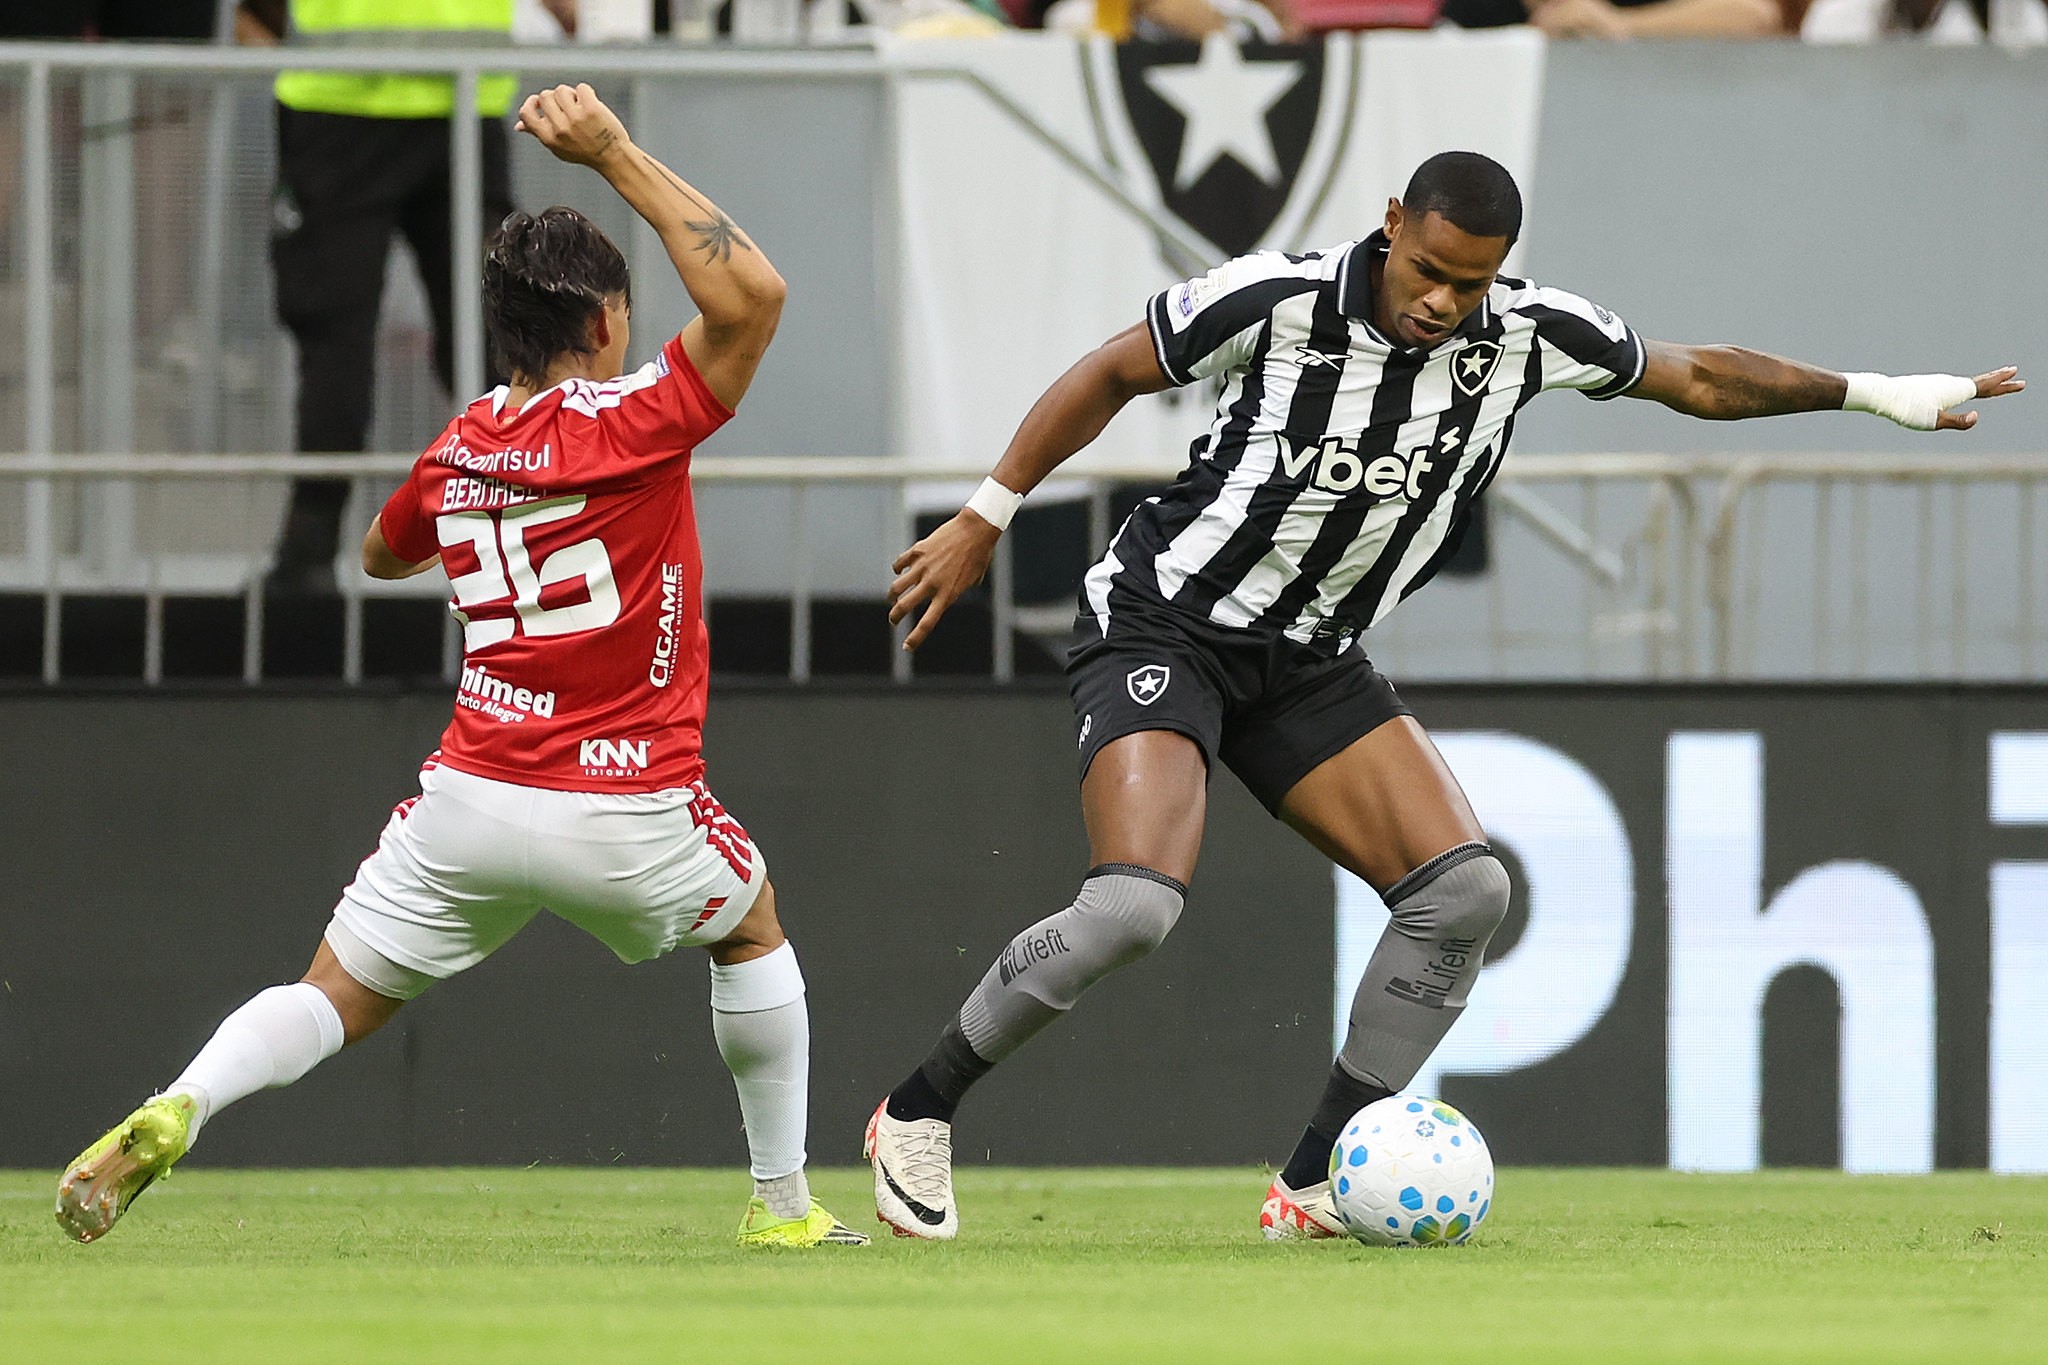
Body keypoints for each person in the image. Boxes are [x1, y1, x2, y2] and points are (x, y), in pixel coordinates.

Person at [865, 150, 2024, 1241]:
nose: (1441, 303)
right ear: (1387, 228)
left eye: (1467, 284)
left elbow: (1700, 377)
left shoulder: (1523, 334)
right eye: (1426, 273)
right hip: (1165, 621)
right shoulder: (1270, 301)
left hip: (1312, 655)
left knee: (1463, 892)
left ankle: (1313, 1183)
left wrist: (1876, 393)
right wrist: (985, 513)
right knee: (1131, 910)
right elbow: (1112, 371)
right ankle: (915, 1114)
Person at [56, 84, 867, 1250]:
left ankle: (184, 1101)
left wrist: (484, 520)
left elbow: (382, 555)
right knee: (751, 931)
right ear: (598, 324)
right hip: (621, 801)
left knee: (330, 996)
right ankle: (782, 1209)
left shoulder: (461, 445)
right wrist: (613, 152)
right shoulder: (632, 420)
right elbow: (755, 297)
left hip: (470, 802)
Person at [237, 0, 534, 595]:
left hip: (348, 103)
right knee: (495, 341)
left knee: (345, 342)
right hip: (450, 98)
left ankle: (309, 558)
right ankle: (530, 544)